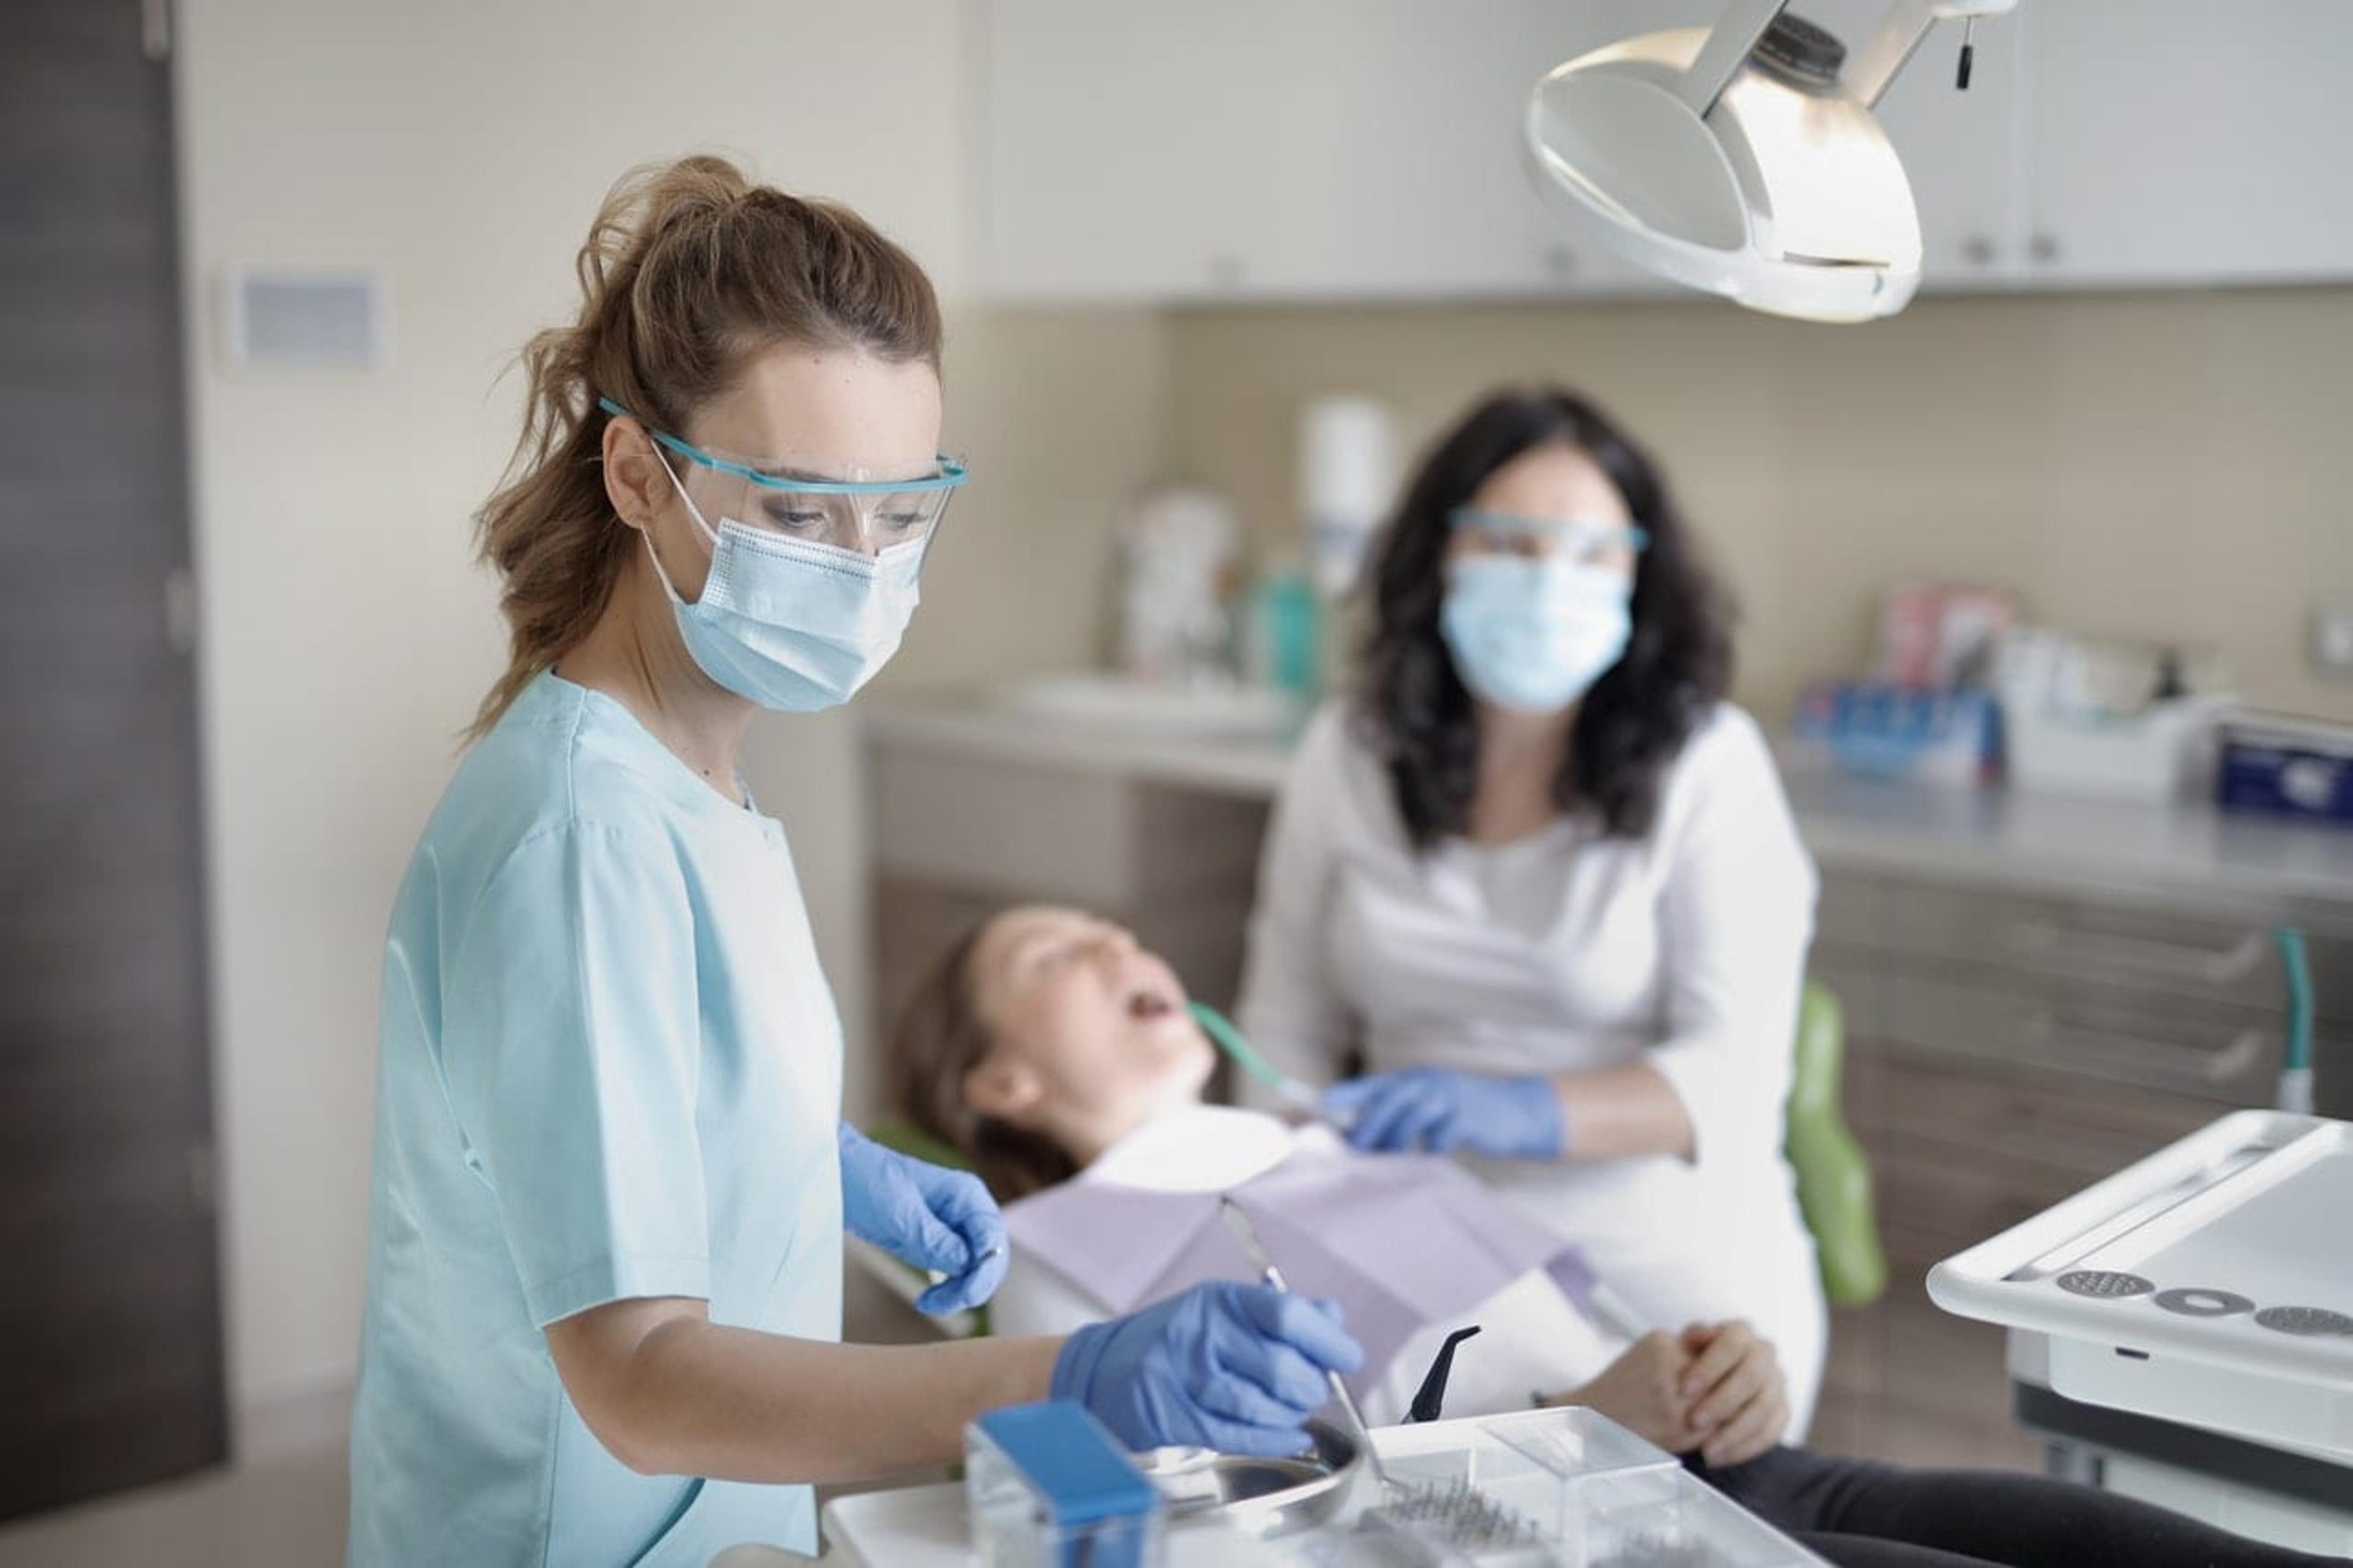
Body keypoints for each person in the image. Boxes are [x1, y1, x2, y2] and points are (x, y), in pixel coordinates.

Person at [345, 156, 1358, 1568]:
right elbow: (638, 1375)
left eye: (900, 511)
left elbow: (609, 1094)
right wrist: (1063, 1376)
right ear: (638, 474)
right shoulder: (585, 832)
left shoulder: (691, 770)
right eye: (799, 511)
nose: (861, 565)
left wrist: (815, 1163)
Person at [889, 903, 2349, 1568]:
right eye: (1047, 957)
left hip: (1743, 1461)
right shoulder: (1058, 1256)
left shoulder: (1319, 1143)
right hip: (1573, 1539)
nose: (1113, 948)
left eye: (1114, 932)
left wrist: (1723, 1372)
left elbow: (1575, 1343)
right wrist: (1578, 1425)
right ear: (997, 1086)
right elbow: (1227, 1537)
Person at [1236, 385, 1831, 1434]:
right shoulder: (1351, 751)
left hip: (1656, 1248)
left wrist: (1519, 1112)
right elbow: (1282, 1029)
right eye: (1509, 542)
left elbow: (1735, 1078)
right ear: (1440, 556)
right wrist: (1289, 1187)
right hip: (1411, 1238)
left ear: (1640, 575)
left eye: (1588, 550)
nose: (1547, 578)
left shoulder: (1710, 764)